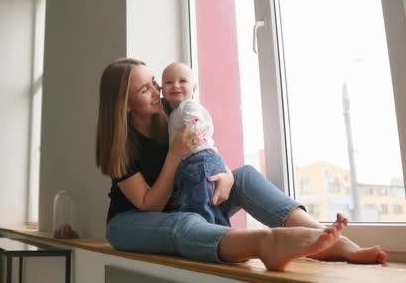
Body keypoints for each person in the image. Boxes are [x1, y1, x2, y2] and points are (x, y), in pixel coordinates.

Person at [95, 58, 387, 271]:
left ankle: (329, 242)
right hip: (132, 222)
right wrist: (173, 155)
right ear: (125, 104)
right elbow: (150, 205)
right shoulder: (121, 144)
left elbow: (202, 155)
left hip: (182, 201)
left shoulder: (171, 118)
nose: (158, 91)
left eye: (154, 83)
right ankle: (264, 243)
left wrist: (226, 176)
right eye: (145, 90)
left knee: (244, 175)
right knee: (185, 224)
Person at [161, 62, 230, 226]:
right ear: (162, 89)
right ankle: (226, 239)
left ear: (194, 88)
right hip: (204, 160)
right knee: (214, 208)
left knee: (197, 207)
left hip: (198, 161)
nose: (176, 85)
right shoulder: (176, 111)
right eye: (169, 82)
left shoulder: (188, 105)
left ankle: (203, 237)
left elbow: (195, 127)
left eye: (182, 81)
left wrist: (193, 132)